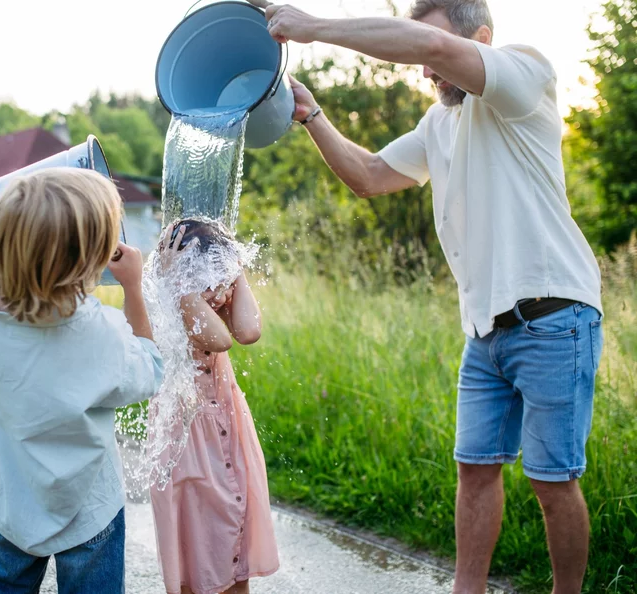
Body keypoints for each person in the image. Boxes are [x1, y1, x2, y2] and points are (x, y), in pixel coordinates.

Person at [248, 0, 604, 592]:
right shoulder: (438, 125)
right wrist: (312, 115)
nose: (424, 69)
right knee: (474, 472)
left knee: (552, 482)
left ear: (481, 38)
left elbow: (434, 50)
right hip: (485, 332)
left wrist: (312, 28)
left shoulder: (524, 74)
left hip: (554, 316)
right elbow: (368, 176)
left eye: (428, 45)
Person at [0, 168, 164, 594]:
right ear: (92, 259)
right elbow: (149, 371)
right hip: (90, 508)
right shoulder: (103, 333)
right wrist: (133, 289)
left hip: (8, 500)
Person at [150, 220, 279, 594]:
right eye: (211, 279)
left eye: (223, 276)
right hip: (189, 438)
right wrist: (179, 285)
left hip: (227, 423)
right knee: (201, 549)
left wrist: (235, 274)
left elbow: (248, 331)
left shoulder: (213, 295)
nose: (220, 292)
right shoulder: (174, 301)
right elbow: (221, 338)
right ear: (187, 276)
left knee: (236, 545)